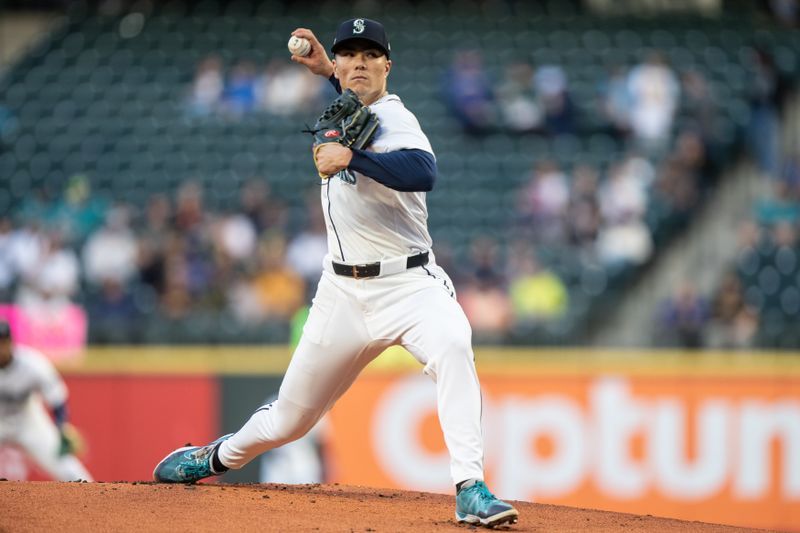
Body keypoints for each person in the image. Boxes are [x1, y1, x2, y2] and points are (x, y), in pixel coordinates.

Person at [153, 18, 519, 529]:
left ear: (388, 65)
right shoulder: (349, 98)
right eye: (351, 55)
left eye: (371, 54)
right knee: (290, 419)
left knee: (455, 344)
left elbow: (424, 170)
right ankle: (217, 458)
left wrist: (353, 156)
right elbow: (349, 92)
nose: (360, 62)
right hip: (342, 293)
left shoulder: (396, 116)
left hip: (409, 284)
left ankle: (469, 487)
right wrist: (327, 69)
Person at [0, 320, 92, 481]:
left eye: (2, 342)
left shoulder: (33, 364)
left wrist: (61, 428)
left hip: (28, 423)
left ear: (10, 342)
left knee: (71, 472)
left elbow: (57, 399)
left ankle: (95, 499)